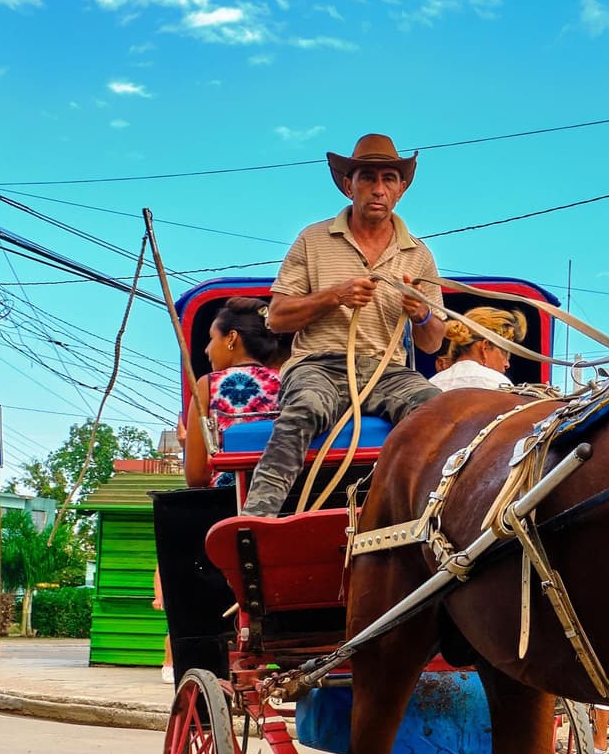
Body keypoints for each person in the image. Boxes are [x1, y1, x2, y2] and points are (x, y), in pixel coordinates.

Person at [240, 135, 445, 517]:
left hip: (387, 372)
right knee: (305, 406)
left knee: (438, 412)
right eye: (367, 177)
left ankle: (426, 518)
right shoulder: (312, 239)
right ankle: (256, 519)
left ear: (401, 189)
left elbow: (433, 342)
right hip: (318, 365)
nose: (378, 188)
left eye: (388, 179)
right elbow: (278, 317)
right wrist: (334, 295)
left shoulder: (419, 255)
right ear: (349, 185)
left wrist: (422, 313)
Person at [183, 296, 291, 489]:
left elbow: (196, 477)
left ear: (231, 338)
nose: (207, 350)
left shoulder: (208, 385)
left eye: (212, 338)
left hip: (229, 502)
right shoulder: (289, 382)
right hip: (283, 494)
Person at [430, 306, 522, 393]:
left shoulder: (432, 384)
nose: (507, 364)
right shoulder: (500, 384)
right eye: (504, 353)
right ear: (484, 347)